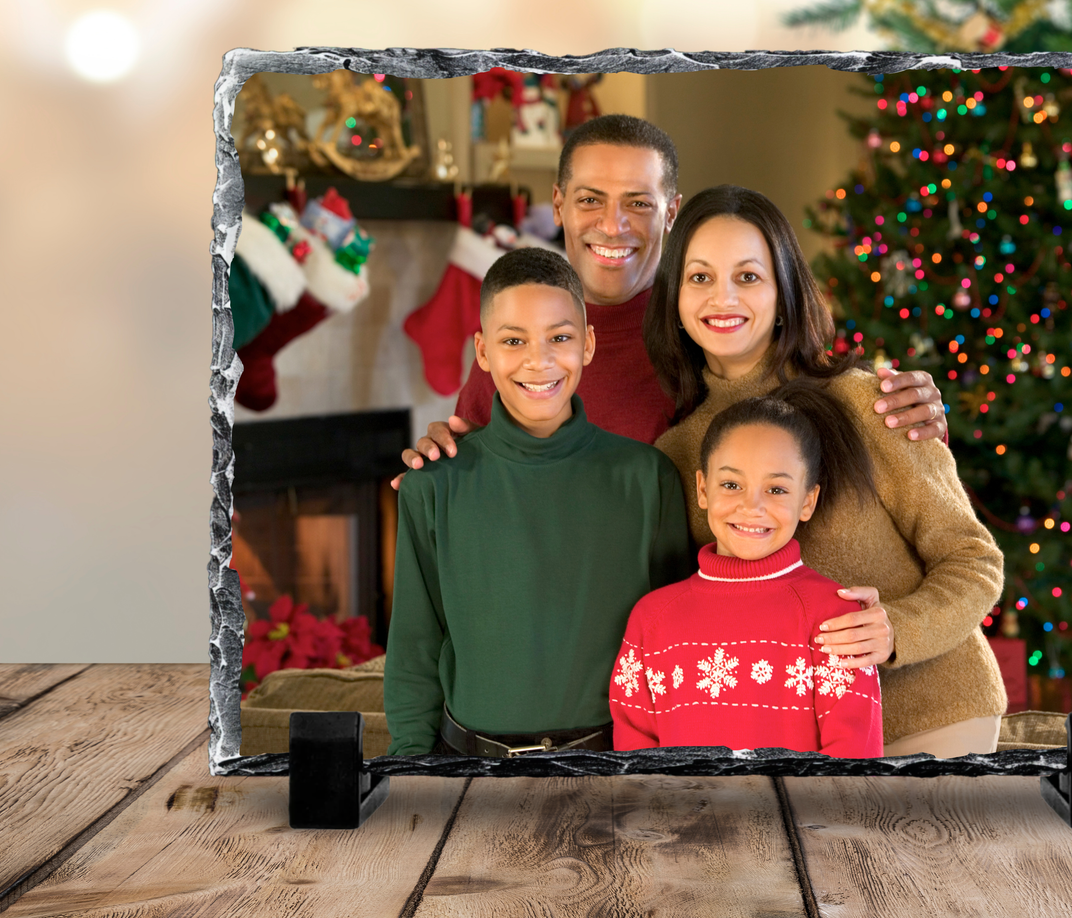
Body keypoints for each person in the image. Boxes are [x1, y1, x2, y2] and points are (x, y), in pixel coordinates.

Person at [395, 114, 950, 671]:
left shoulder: (707, 323)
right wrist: (443, 453)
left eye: (638, 202)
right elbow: (481, 489)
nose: (613, 226)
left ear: (672, 210)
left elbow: (803, 389)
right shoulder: (522, 351)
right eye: (591, 199)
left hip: (710, 663)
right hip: (565, 661)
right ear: (558, 204)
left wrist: (911, 402)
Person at [645, 185, 1008, 758]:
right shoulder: (676, 452)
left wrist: (898, 628)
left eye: (747, 277)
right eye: (699, 277)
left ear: (784, 293)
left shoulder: (869, 402)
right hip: (787, 744)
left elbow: (974, 560)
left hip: (929, 717)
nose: (722, 297)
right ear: (674, 299)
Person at [384, 248, 693, 757]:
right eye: (513, 341)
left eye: (560, 337)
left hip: (613, 764)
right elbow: (415, 646)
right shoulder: (433, 484)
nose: (539, 360)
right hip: (468, 764)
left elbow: (674, 645)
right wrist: (412, 767)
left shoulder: (647, 478)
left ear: (588, 343)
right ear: (482, 352)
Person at [611, 383, 883, 759]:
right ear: (703, 489)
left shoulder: (835, 619)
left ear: (808, 501)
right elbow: (635, 757)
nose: (751, 506)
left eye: (776, 490)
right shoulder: (650, 619)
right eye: (731, 484)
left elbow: (854, 763)